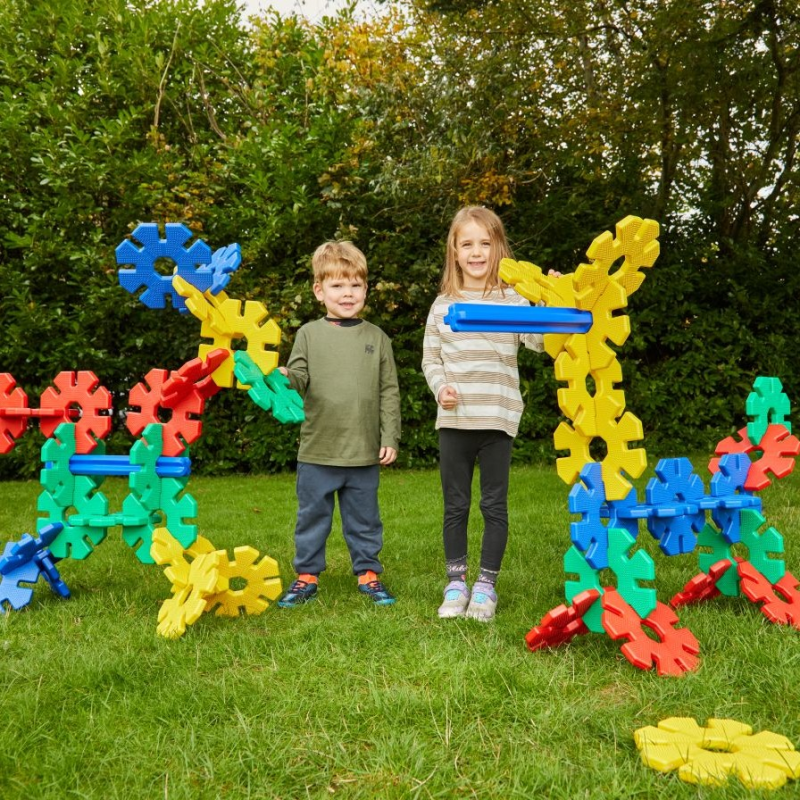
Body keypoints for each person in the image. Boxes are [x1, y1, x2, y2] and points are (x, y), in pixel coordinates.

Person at [422, 206, 552, 622]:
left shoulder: (512, 299)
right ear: (454, 252)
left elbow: (539, 343)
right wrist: (441, 388)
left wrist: (548, 300)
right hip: (456, 421)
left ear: (498, 249)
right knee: (455, 506)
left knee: (494, 506)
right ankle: (456, 582)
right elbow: (431, 359)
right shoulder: (443, 305)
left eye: (485, 243)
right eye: (467, 244)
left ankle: (485, 587)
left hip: (498, 418)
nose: (476, 252)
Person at [277, 241, 401, 608]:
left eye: (355, 285)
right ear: (319, 291)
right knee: (312, 518)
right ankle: (306, 576)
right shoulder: (308, 335)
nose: (347, 293)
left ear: (365, 288)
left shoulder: (377, 338)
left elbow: (389, 391)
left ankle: (368, 574)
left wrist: (390, 435)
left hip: (363, 452)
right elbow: (298, 376)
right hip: (318, 450)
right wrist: (285, 375)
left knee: (364, 520)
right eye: (337, 285)